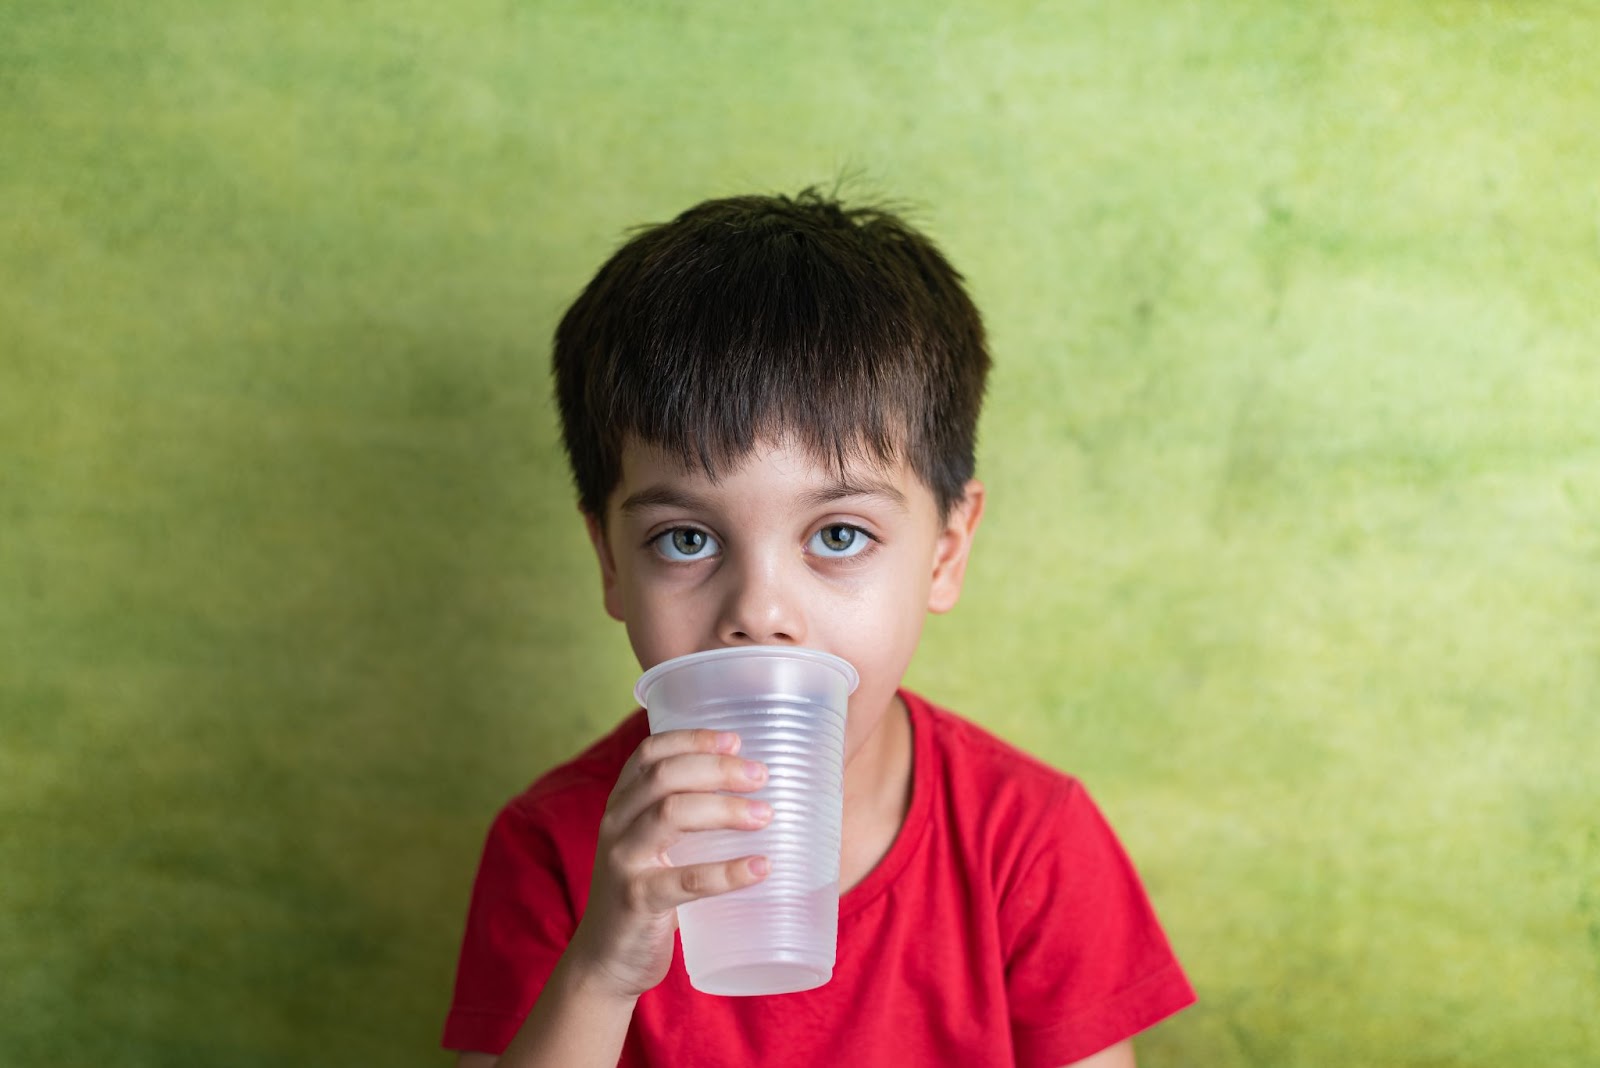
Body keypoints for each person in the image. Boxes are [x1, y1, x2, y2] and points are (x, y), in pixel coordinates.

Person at [443, 190, 1196, 1067]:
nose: (760, 611)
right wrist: (603, 972)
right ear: (611, 562)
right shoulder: (554, 851)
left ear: (945, 553)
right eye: (685, 538)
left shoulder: (1028, 846)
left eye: (839, 535)